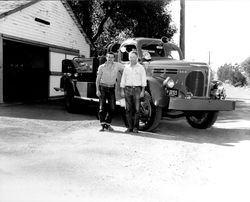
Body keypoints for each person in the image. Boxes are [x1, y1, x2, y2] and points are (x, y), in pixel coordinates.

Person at [96, 52, 124, 132]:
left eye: (112, 57)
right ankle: (102, 125)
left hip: (111, 88)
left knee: (112, 107)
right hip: (102, 87)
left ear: (114, 58)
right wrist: (97, 90)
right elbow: (97, 79)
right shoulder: (101, 67)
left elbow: (127, 68)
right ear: (106, 58)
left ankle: (108, 124)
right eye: (109, 57)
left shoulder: (117, 65)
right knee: (102, 108)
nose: (110, 59)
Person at [120, 51, 147, 133]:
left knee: (137, 109)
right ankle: (129, 127)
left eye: (134, 57)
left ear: (137, 58)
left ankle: (135, 128)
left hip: (137, 90)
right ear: (129, 58)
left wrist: (143, 91)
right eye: (130, 57)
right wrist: (122, 90)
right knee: (128, 110)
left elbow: (143, 79)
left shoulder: (141, 67)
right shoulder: (126, 67)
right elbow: (123, 79)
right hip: (127, 89)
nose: (132, 59)